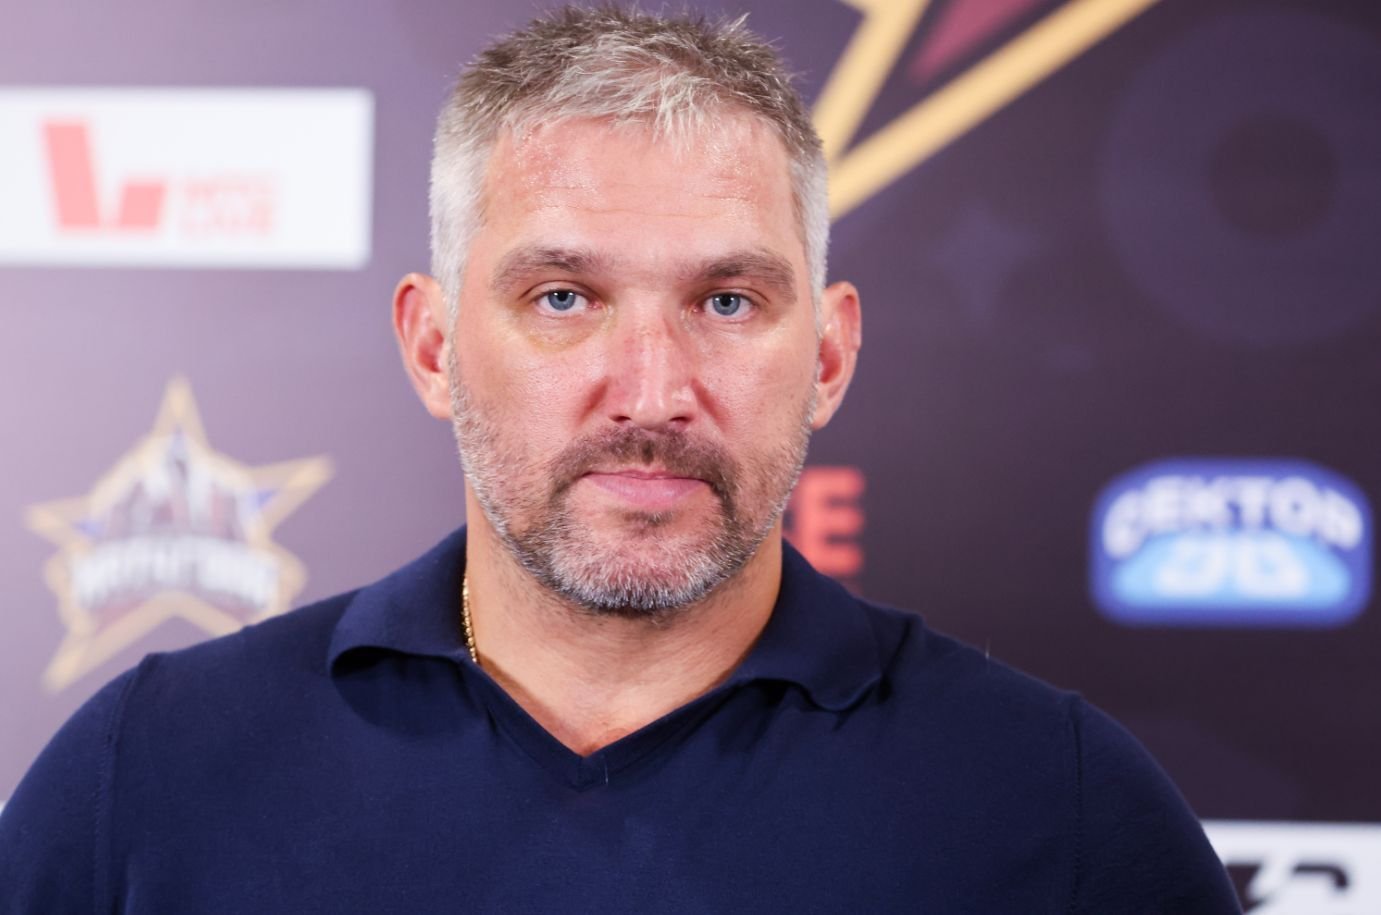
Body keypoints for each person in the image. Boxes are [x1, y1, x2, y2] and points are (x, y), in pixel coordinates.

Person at [1, 6, 1240, 912]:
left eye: (727, 302)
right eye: (562, 298)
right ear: (433, 347)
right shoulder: (151, 772)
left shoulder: (1062, 810)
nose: (651, 393)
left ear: (827, 356)